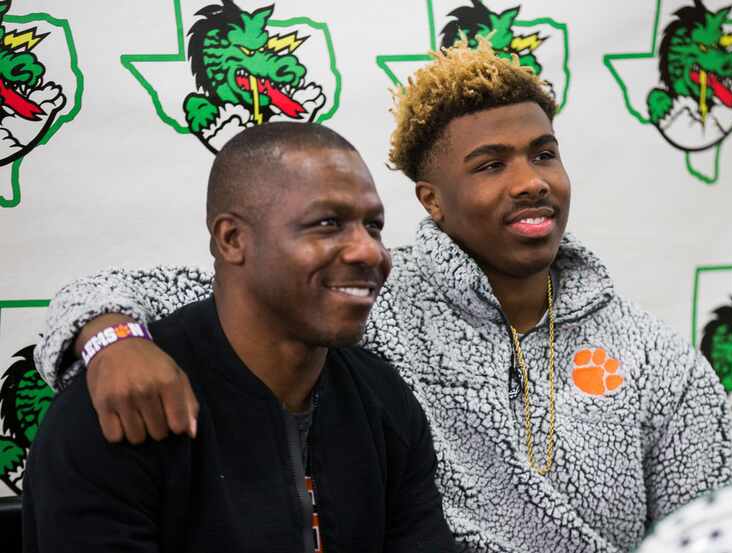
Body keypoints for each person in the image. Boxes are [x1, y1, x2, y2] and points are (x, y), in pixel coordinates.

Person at [33, 41, 732, 552]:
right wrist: (111, 336)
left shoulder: (657, 356)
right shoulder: (364, 296)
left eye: (543, 154)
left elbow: (721, 525)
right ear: (432, 200)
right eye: (491, 164)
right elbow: (172, 294)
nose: (530, 180)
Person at [23, 123, 455, 553]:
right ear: (232, 239)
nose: (369, 251)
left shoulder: (384, 398)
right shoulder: (119, 413)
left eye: (373, 226)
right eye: (327, 223)